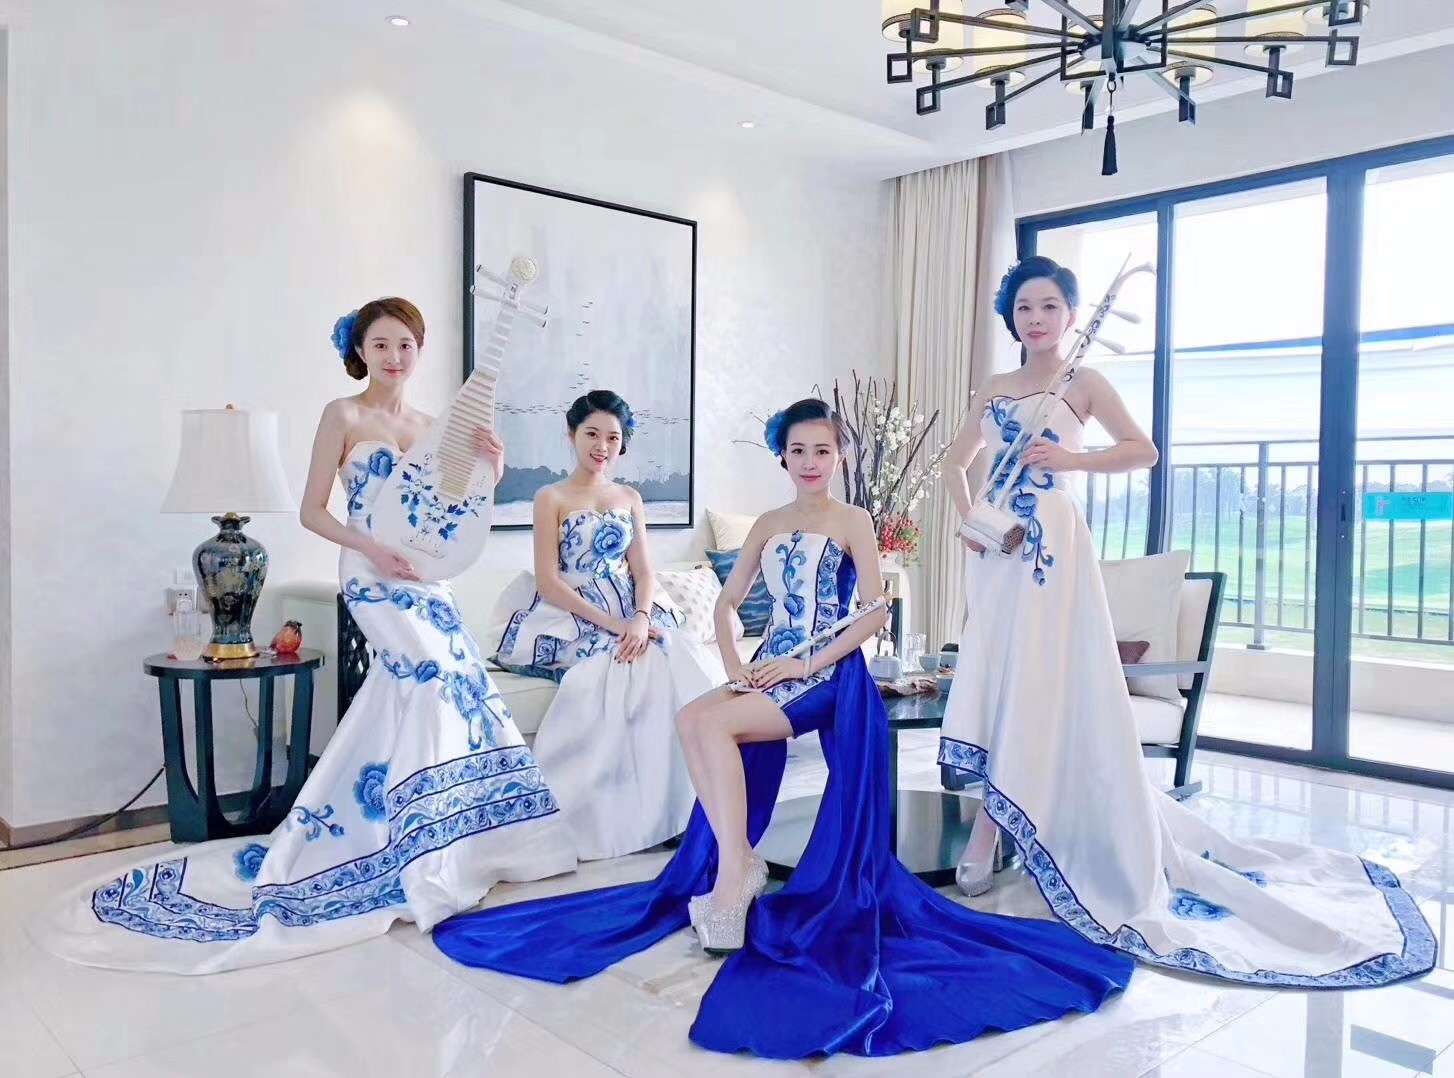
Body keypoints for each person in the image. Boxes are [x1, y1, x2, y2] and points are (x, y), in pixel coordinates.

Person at [432, 398, 1134, 1060]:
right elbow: (727, 604)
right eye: (798, 451)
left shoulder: (854, 520)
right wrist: (737, 664)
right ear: (783, 457)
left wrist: (805, 661)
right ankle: (740, 860)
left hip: (828, 674)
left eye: (822, 450)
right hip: (770, 666)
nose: (810, 462)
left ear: (838, 456)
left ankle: (737, 871)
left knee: (712, 730)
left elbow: (873, 612)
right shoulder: (769, 521)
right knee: (693, 717)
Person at [31, 297, 575, 973]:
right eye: (381, 344)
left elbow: (452, 509)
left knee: (453, 685)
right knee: (431, 678)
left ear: (419, 350)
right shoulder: (342, 415)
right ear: (360, 350)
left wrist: (493, 463)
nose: (395, 357)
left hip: (424, 577)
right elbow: (313, 510)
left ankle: (463, 841)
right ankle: (420, 847)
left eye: (406, 345)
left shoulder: (432, 426)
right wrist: (371, 549)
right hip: (370, 573)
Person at [939, 256, 1435, 988]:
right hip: (998, 549)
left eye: (1049, 306)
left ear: (1070, 314)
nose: (1035, 319)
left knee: (1042, 678)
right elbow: (956, 465)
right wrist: (973, 523)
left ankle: (995, 824)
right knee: (996, 673)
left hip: (1055, 544)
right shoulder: (993, 386)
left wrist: (1072, 458)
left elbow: (1143, 450)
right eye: (1024, 308)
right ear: (1010, 317)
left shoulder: (1084, 380)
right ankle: (997, 812)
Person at [494, 390, 723, 859]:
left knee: (676, 659)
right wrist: (614, 625)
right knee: (621, 669)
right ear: (572, 435)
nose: (602, 446)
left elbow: (644, 572)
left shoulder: (630, 497)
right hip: (576, 615)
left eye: (613, 438)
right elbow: (549, 580)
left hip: (634, 610)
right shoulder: (551, 497)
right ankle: (615, 817)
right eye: (592, 434)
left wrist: (639, 618)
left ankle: (684, 811)